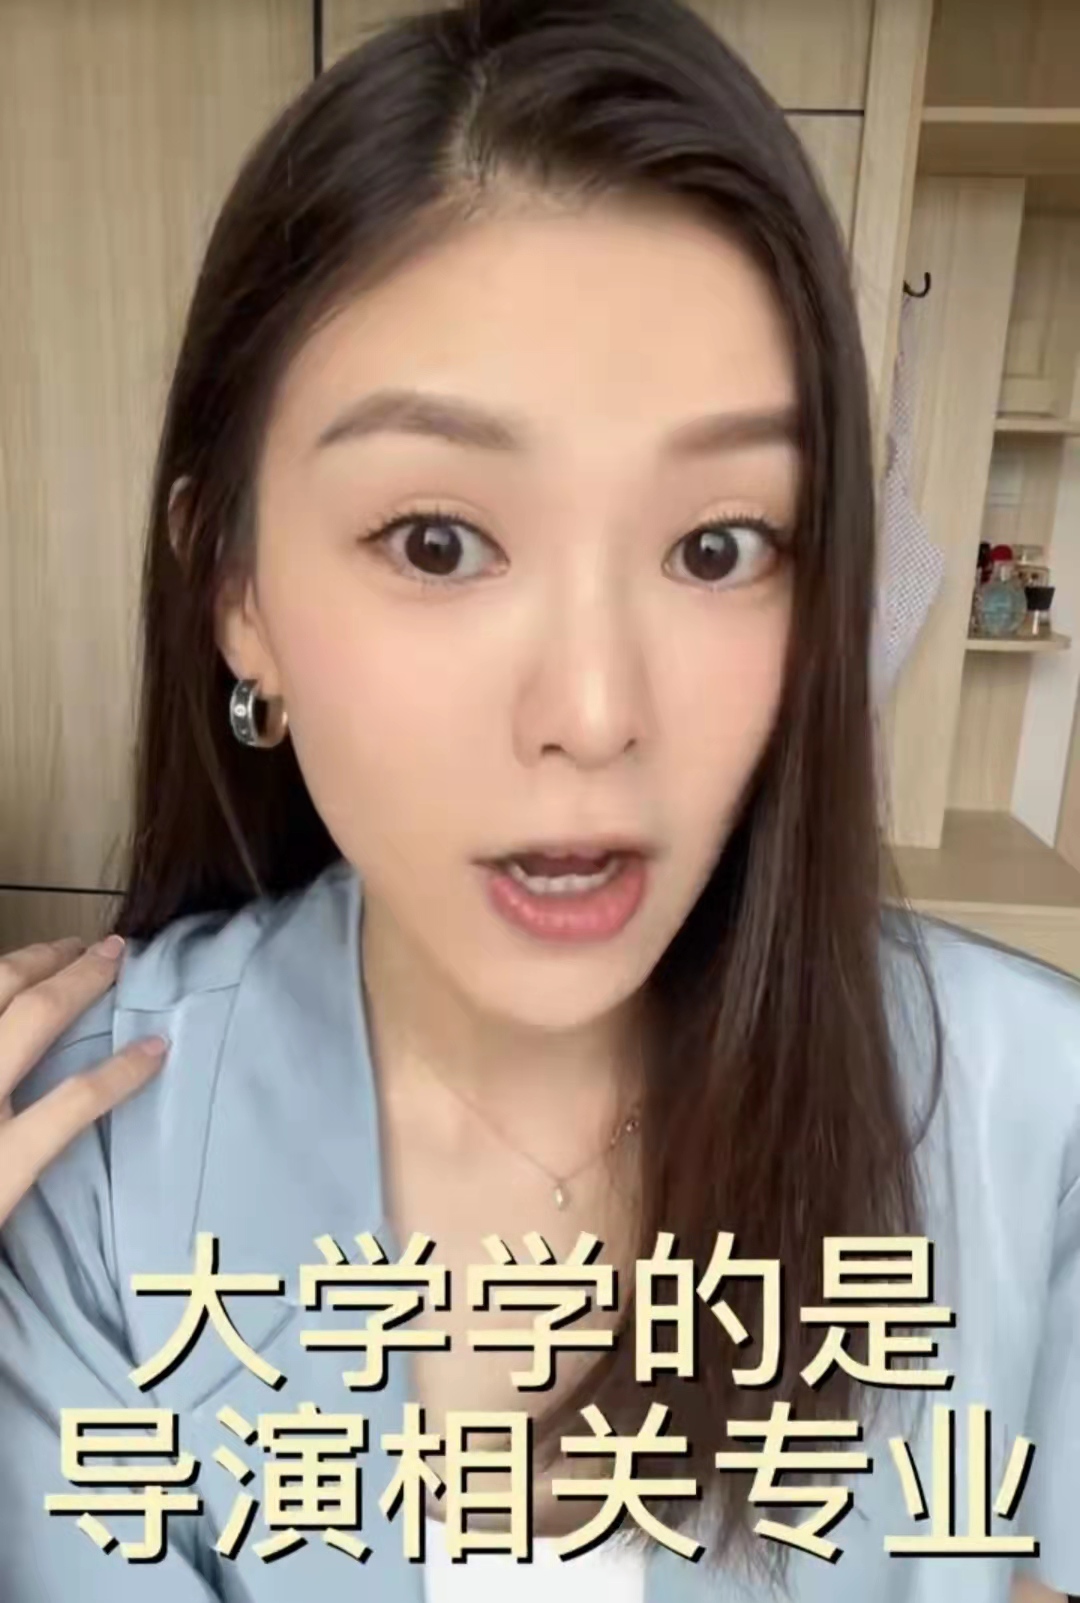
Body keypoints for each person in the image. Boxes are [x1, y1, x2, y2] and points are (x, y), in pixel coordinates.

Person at [1, 1, 1077, 1599]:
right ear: (236, 591)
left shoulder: (1033, 1112)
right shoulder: (85, 1157)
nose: (592, 713)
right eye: (438, 542)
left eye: (718, 546)